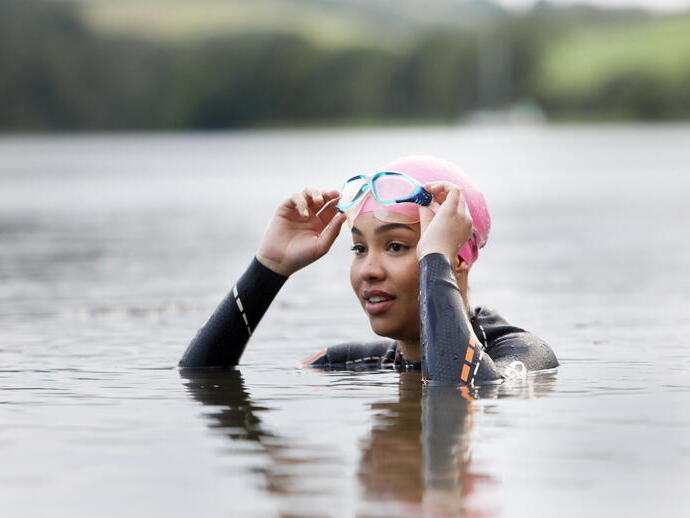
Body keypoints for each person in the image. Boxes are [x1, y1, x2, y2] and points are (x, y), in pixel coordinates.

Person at [179, 156, 558, 386]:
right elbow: (202, 378)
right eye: (359, 248)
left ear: (454, 256)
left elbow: (461, 387)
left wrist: (434, 260)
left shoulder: (522, 353)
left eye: (396, 246)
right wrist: (270, 269)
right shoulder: (357, 362)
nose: (368, 271)